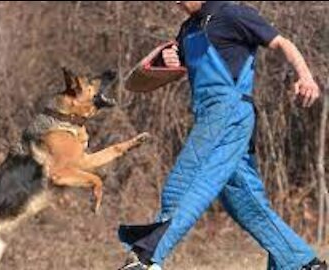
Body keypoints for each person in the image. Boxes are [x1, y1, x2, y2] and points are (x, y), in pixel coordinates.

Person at [118, 1, 326, 270]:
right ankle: (303, 263)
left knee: (187, 180)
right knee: (243, 199)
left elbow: (283, 43)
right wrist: (170, 59)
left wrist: (305, 77)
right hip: (209, 115)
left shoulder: (233, 14)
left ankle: (146, 258)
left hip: (228, 111)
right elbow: (172, 64)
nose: (176, 2)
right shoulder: (188, 28)